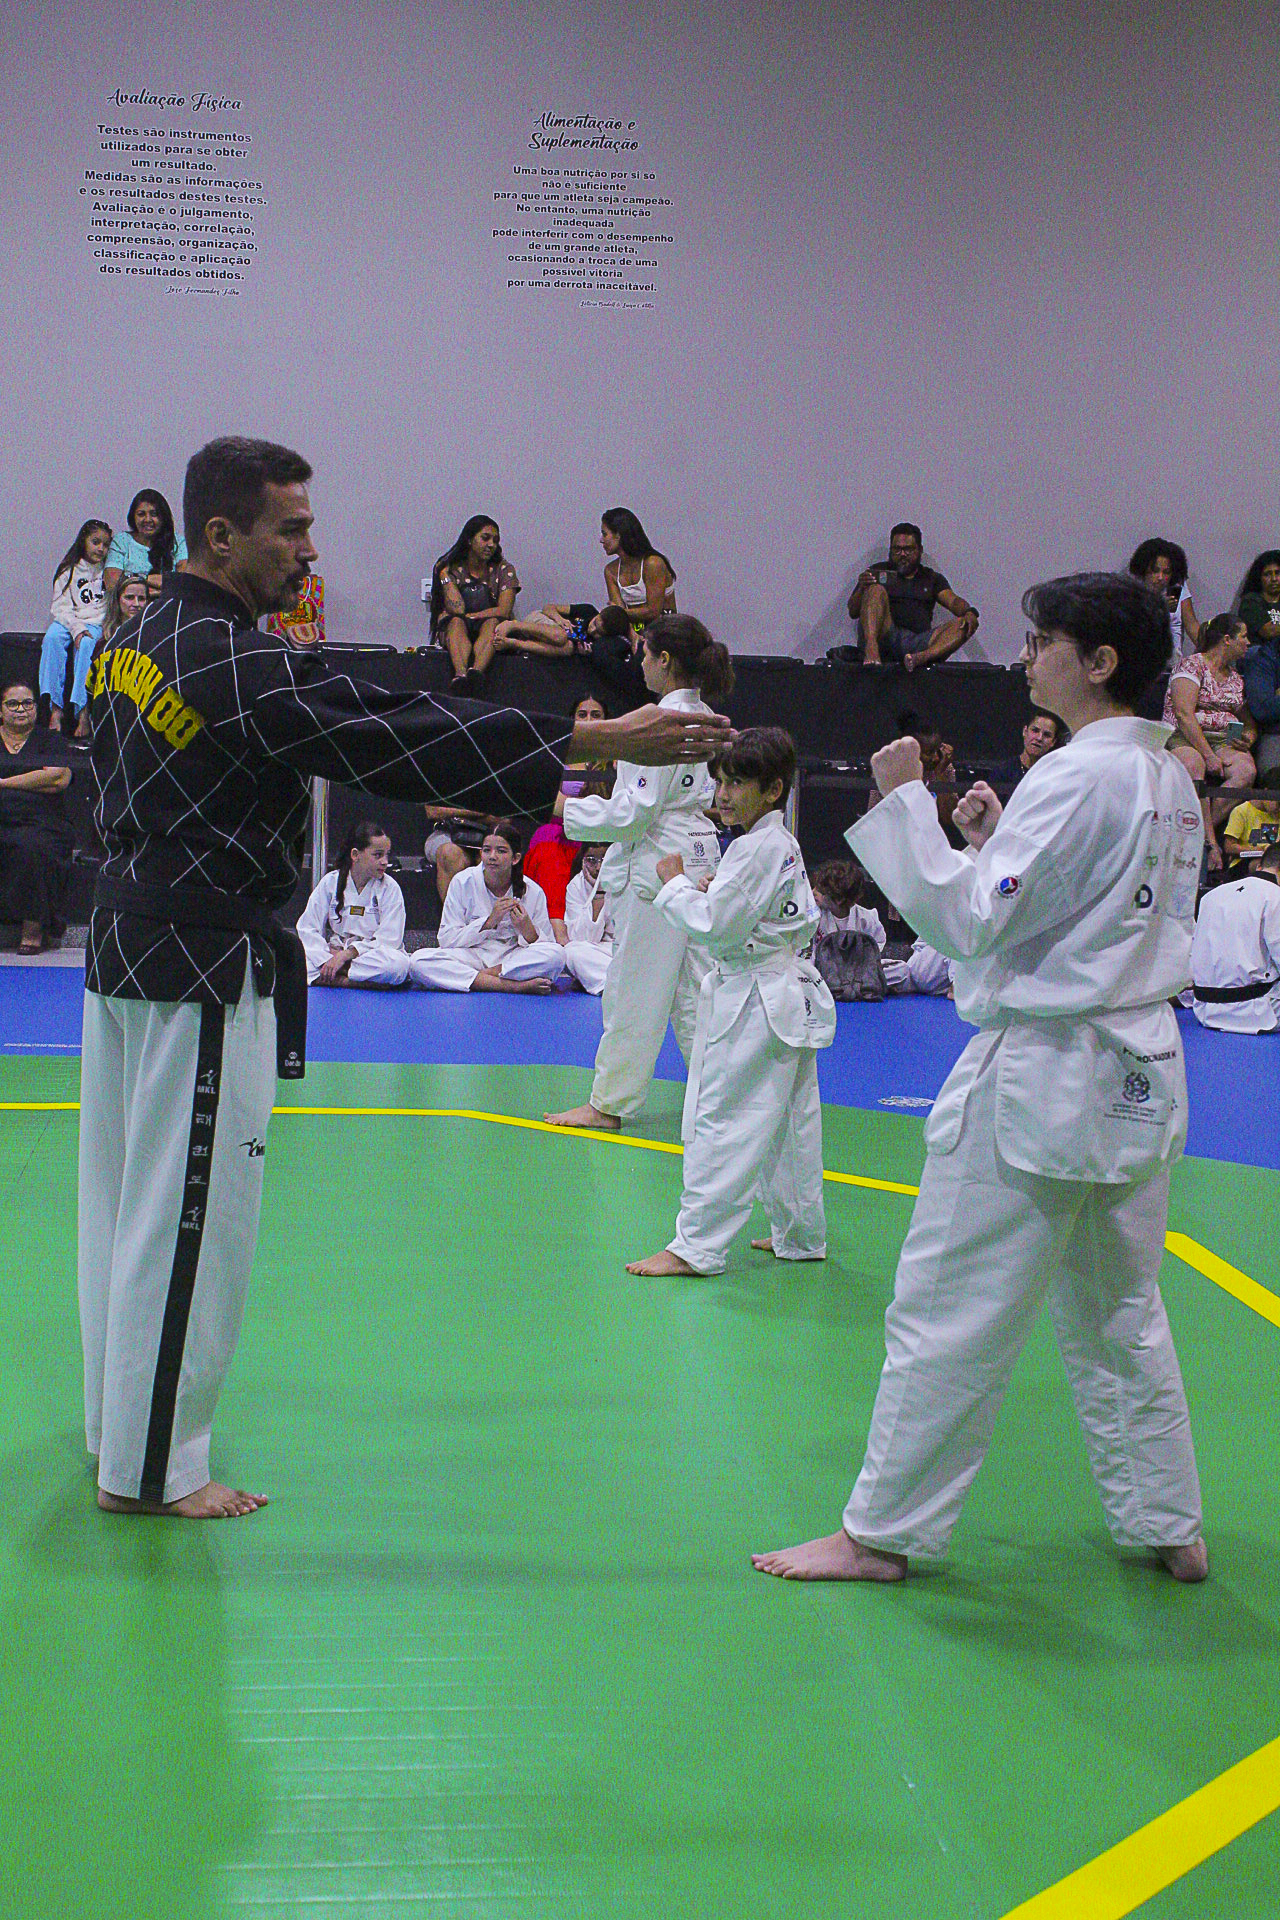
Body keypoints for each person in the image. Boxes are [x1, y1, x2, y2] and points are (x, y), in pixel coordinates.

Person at [77, 434, 729, 1522]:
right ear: (222, 534)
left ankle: (119, 1431)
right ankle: (154, 1471)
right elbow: (392, 731)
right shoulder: (234, 662)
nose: (309, 550)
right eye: (291, 528)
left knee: (120, 1209)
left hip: (125, 944)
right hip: (200, 962)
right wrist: (595, 740)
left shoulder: (134, 637)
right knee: (189, 1218)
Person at [753, 571, 1208, 1587]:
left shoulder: (1077, 774)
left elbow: (966, 925)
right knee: (1122, 1312)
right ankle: (1167, 1521)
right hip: (1139, 1068)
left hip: (1045, 1074)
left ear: (1099, 662)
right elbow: (1068, 906)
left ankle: (880, 1534)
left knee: (948, 1307)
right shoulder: (1170, 778)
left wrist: (902, 802)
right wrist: (983, 844)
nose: (1026, 656)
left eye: (1044, 641)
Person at [625, 728, 836, 1276]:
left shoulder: (755, 848)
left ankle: (696, 1246)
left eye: (736, 783)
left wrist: (675, 884)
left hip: (754, 997)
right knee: (791, 1124)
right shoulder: (779, 842)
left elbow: (715, 926)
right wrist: (713, 892)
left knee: (721, 1119)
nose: (722, 794)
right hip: (785, 995)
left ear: (772, 790)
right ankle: (800, 1234)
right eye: (720, 781)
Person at [544, 615, 732, 1132]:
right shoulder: (703, 714)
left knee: (635, 989)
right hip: (698, 854)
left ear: (664, 660)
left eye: (644, 653)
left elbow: (635, 812)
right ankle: (724, 1095)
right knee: (698, 992)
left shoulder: (660, 722)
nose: (640, 663)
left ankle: (607, 1103)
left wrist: (564, 809)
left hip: (657, 864)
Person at [408, 820, 565, 993]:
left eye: (501, 851)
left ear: (515, 858)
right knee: (419, 961)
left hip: (513, 958)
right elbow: (446, 940)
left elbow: (546, 945)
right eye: (487, 850)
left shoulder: (533, 890)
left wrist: (528, 931)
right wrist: (488, 922)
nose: (492, 856)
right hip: (473, 955)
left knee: (556, 955)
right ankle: (511, 986)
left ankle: (480, 978)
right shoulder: (462, 882)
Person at [1163, 613, 1256, 870]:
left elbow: (1248, 721)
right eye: (1244, 636)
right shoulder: (1191, 666)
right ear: (1227, 639)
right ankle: (1210, 844)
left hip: (1223, 738)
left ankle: (1198, 833)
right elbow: (1183, 713)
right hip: (1185, 734)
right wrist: (1209, 755)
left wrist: (1248, 737)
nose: (1248, 643)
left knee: (1246, 771)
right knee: (1195, 766)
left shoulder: (1235, 677)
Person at [527, 694, 614, 930]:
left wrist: (581, 808)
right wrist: (593, 807)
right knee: (547, 845)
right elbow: (553, 803)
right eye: (582, 715)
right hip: (563, 829)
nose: (588, 720)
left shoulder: (616, 759)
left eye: (596, 715)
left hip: (602, 833)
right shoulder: (557, 755)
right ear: (572, 719)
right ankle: (554, 926)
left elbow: (618, 802)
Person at [0, 677, 75, 952]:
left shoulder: (50, 740)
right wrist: (33, 779)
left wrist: (3, 783)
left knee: (33, 846)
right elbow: (44, 777)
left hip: (42, 822)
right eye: (13, 704)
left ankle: (32, 930)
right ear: (1, 710)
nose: (21, 709)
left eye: (28, 703)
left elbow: (57, 778)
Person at [846, 523, 979, 670]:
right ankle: (871, 650)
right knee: (875, 590)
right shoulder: (878, 572)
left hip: (918, 643)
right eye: (897, 549)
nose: (902, 554)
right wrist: (862, 588)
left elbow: (953, 601)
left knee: (963, 624)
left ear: (919, 550)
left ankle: (921, 658)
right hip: (884, 637)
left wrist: (969, 612)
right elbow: (853, 612)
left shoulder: (931, 578)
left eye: (908, 549)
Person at [297, 820, 409, 987]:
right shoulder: (330, 882)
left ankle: (336, 977)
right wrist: (327, 958)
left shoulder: (390, 888)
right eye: (378, 855)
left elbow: (390, 940)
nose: (385, 861)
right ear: (355, 855)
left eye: (387, 855)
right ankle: (351, 980)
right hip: (333, 953)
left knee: (398, 966)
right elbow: (307, 928)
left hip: (368, 954)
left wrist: (347, 955)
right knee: (296, 958)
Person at [1189, 846, 1280, 1032]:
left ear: (1260, 866)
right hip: (1260, 1012)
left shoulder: (1210, 896)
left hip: (1205, 1009)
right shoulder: (1275, 896)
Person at [40, 520, 111, 735]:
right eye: (96, 542)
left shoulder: (109, 571)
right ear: (83, 541)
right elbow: (60, 608)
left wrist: (86, 630)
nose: (100, 548)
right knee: (52, 637)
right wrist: (76, 628)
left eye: (105, 544)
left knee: (87, 643)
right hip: (69, 620)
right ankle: (55, 708)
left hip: (95, 622)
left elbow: (107, 608)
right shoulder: (69, 570)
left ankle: (83, 712)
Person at [428, 515, 519, 683]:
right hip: (457, 625)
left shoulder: (504, 569)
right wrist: (443, 575)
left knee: (492, 623)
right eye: (485, 538)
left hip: (489, 625)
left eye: (495, 540)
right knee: (456, 622)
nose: (491, 545)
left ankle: (476, 674)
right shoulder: (453, 568)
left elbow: (504, 610)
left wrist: (473, 616)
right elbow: (457, 610)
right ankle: (460, 675)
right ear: (469, 540)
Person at [102, 489, 186, 597]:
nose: (147, 519)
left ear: (163, 517)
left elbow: (184, 583)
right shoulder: (122, 541)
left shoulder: (178, 543)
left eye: (154, 514)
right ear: (133, 517)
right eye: (141, 514)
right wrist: (160, 587)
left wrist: (134, 578)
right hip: (129, 607)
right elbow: (112, 584)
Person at [1128, 538, 1200, 656]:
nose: (1160, 577)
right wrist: (1158, 608)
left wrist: (1210, 650)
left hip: (1172, 659)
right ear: (1144, 570)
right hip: (1142, 657)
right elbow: (1132, 629)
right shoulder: (1134, 589)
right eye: (1155, 571)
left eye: (1166, 572)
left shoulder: (1176, 588)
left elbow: (1191, 624)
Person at [561, 843, 615, 994]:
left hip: (622, 949)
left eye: (604, 859)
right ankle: (610, 986)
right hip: (596, 952)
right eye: (592, 860)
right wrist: (598, 893)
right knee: (571, 952)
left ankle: (607, 981)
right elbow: (582, 939)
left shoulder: (625, 879)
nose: (598, 867)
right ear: (583, 861)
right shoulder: (576, 885)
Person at [494, 602, 629, 659]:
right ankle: (513, 625)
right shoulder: (588, 610)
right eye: (594, 623)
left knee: (568, 648)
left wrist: (584, 655)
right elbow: (548, 607)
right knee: (561, 636)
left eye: (598, 633)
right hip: (539, 622)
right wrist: (559, 619)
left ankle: (514, 643)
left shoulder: (599, 644)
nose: (592, 630)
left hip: (549, 643)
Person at [809, 859, 887, 949]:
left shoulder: (866, 919)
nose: (813, 892)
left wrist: (865, 954)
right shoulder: (816, 913)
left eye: (820, 891)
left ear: (839, 899)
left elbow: (879, 942)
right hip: (821, 957)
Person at [989, 710, 1065, 788]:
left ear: (1053, 742)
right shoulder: (1002, 772)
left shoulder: (1055, 777)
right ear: (1025, 731)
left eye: (1047, 735)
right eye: (1035, 731)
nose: (1039, 738)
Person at [1222, 793, 1280, 865]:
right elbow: (1229, 847)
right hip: (1245, 861)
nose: (1279, 809)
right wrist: (1261, 849)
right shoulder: (1241, 811)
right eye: (1278, 803)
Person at [1237, 550, 1280, 646]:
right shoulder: (1250, 601)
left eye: (1277, 573)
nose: (1274, 579)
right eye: (1267, 574)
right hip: (1261, 652)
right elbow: (1268, 631)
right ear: (1259, 577)